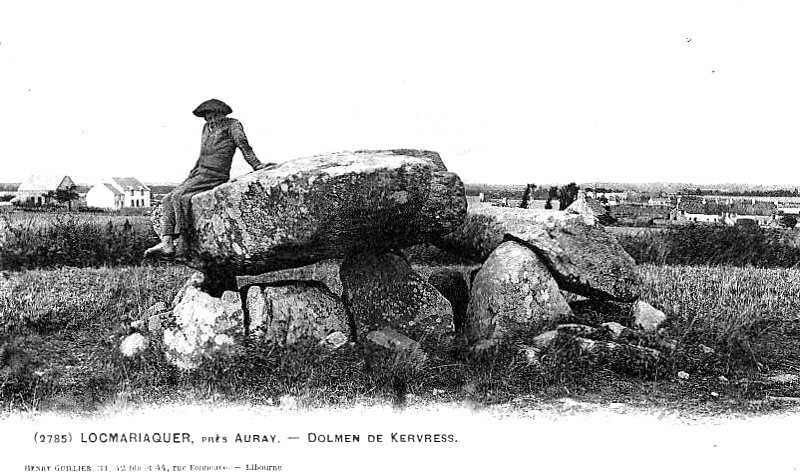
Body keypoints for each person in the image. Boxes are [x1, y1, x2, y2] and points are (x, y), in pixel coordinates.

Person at [144, 99, 276, 258]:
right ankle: (167, 241)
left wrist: (257, 166)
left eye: (214, 115)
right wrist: (192, 174)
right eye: (207, 116)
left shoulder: (233, 125)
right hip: (200, 173)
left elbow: (244, 146)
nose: (210, 119)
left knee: (179, 196)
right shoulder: (206, 128)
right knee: (168, 199)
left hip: (215, 174)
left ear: (222, 113)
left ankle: (182, 241)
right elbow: (203, 154)